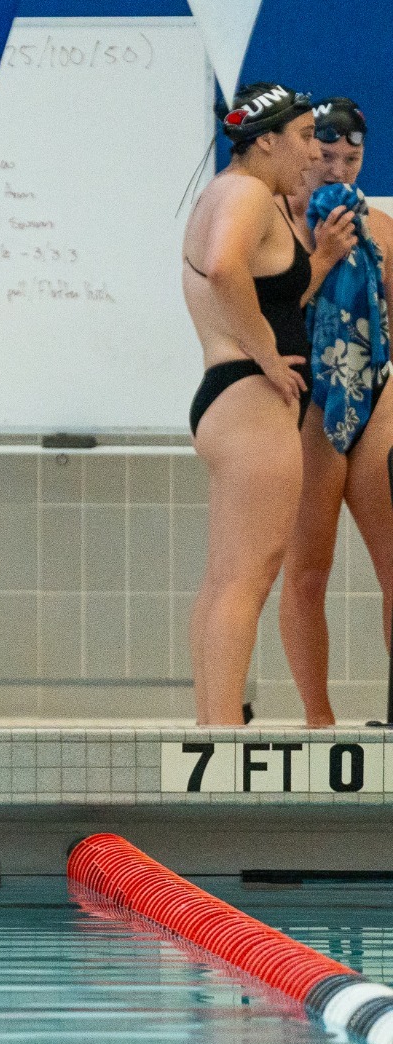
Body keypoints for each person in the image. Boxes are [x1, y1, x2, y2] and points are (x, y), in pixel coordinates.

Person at [180, 83, 326, 725]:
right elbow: (223, 268)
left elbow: (265, 286)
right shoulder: (244, 194)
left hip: (232, 399)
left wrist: (322, 259)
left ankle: (213, 723)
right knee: (248, 576)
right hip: (250, 398)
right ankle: (219, 735)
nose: (314, 152)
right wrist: (267, 353)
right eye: (305, 137)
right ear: (265, 140)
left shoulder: (229, 192)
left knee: (228, 577)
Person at [280, 97, 393, 726]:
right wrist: (320, 257)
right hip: (307, 402)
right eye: (325, 156)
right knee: (308, 572)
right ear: (305, 151)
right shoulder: (281, 229)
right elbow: (270, 320)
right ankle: (318, 722)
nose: (337, 170)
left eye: (350, 160)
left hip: (375, 395)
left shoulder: (383, 231)